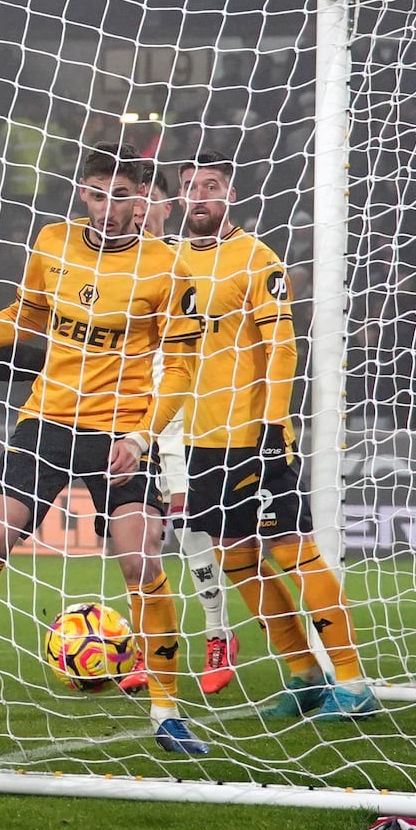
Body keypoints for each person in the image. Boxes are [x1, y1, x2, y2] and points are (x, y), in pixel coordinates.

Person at [0, 144, 211, 756]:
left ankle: (167, 712)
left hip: (119, 436)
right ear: (83, 194)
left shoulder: (167, 268)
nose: (109, 208)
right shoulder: (52, 243)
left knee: (140, 559)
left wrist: (142, 435)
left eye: (122, 196)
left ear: (143, 197)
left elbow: (179, 367)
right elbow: (25, 319)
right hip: (46, 421)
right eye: (99, 194)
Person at [175, 149, 379, 721]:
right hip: (200, 437)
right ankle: (302, 673)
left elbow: (281, 348)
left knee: (294, 551)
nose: (200, 196)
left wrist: (274, 423)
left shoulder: (256, 258)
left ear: (230, 194)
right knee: (233, 556)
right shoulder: (170, 262)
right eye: (190, 186)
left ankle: (354, 682)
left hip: (254, 435)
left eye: (211, 185)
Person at [119, 168, 240, 697]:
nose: (140, 209)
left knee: (189, 531)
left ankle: (218, 634)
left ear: (169, 210)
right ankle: (150, 647)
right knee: (138, 542)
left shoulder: (184, 261)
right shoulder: (115, 264)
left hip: (183, 418)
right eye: (134, 200)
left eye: (152, 201)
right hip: (128, 414)